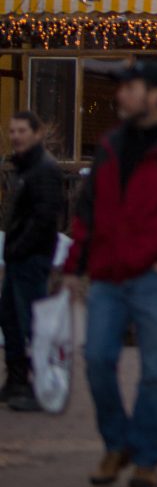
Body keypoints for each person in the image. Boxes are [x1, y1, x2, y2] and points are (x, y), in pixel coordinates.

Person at [56, 60, 157, 487]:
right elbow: (86, 216)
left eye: (130, 88)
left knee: (155, 371)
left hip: (156, 280)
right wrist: (74, 268)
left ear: (155, 95)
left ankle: (146, 457)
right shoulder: (110, 146)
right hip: (108, 279)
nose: (120, 96)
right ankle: (117, 445)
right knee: (96, 361)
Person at [4, 108, 66, 412]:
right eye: (12, 130)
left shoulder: (44, 169)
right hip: (18, 258)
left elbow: (45, 217)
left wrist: (21, 248)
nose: (15, 136)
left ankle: (43, 386)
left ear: (37, 134)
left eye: (22, 131)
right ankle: (17, 380)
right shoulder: (24, 168)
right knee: (11, 320)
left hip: (32, 258)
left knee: (33, 325)